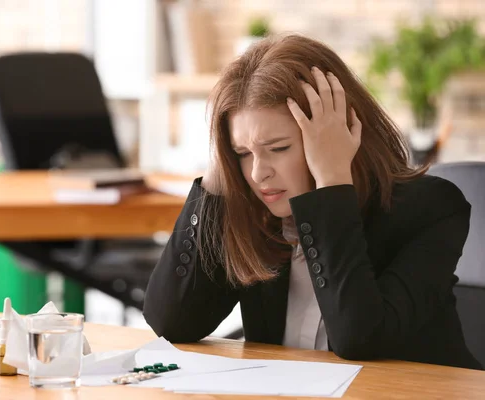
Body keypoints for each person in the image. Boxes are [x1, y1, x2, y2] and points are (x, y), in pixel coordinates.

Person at [143, 34, 483, 370]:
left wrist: (332, 180)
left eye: (278, 148)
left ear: (340, 134)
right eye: (243, 153)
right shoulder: (258, 212)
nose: (259, 173)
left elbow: (359, 339)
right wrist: (222, 170)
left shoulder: (432, 209)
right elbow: (171, 323)